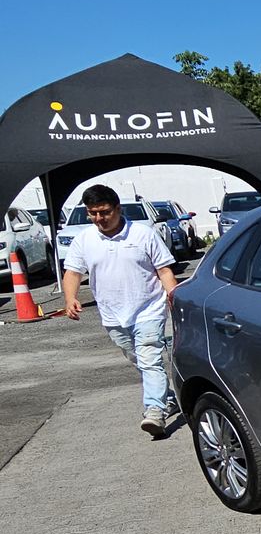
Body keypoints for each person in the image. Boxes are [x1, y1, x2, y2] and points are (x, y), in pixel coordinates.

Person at [62, 185, 179, 437]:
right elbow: (72, 272)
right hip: (113, 314)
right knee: (139, 360)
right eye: (92, 213)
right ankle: (168, 397)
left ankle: (155, 412)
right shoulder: (84, 239)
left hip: (149, 308)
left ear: (117, 209)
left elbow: (164, 270)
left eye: (104, 212)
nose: (98, 219)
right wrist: (70, 298)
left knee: (150, 359)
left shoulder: (142, 234)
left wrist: (174, 297)